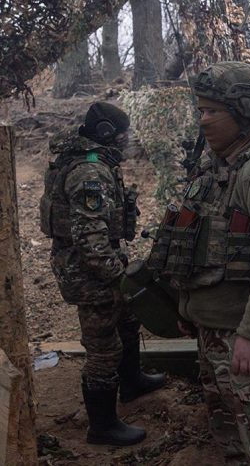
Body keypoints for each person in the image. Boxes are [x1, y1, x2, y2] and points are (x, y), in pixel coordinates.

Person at [146, 61, 250, 465]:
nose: (202, 120)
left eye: (212, 111)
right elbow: (200, 243)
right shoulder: (218, 165)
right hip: (215, 333)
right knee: (234, 443)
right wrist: (188, 307)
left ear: (245, 112)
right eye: (200, 110)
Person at [40, 102, 165, 446]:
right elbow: (90, 238)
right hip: (89, 273)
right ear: (107, 133)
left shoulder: (92, 161)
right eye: (123, 133)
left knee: (127, 321)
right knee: (103, 348)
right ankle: (102, 426)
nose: (127, 139)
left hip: (100, 264)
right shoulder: (89, 173)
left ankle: (132, 382)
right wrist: (118, 277)